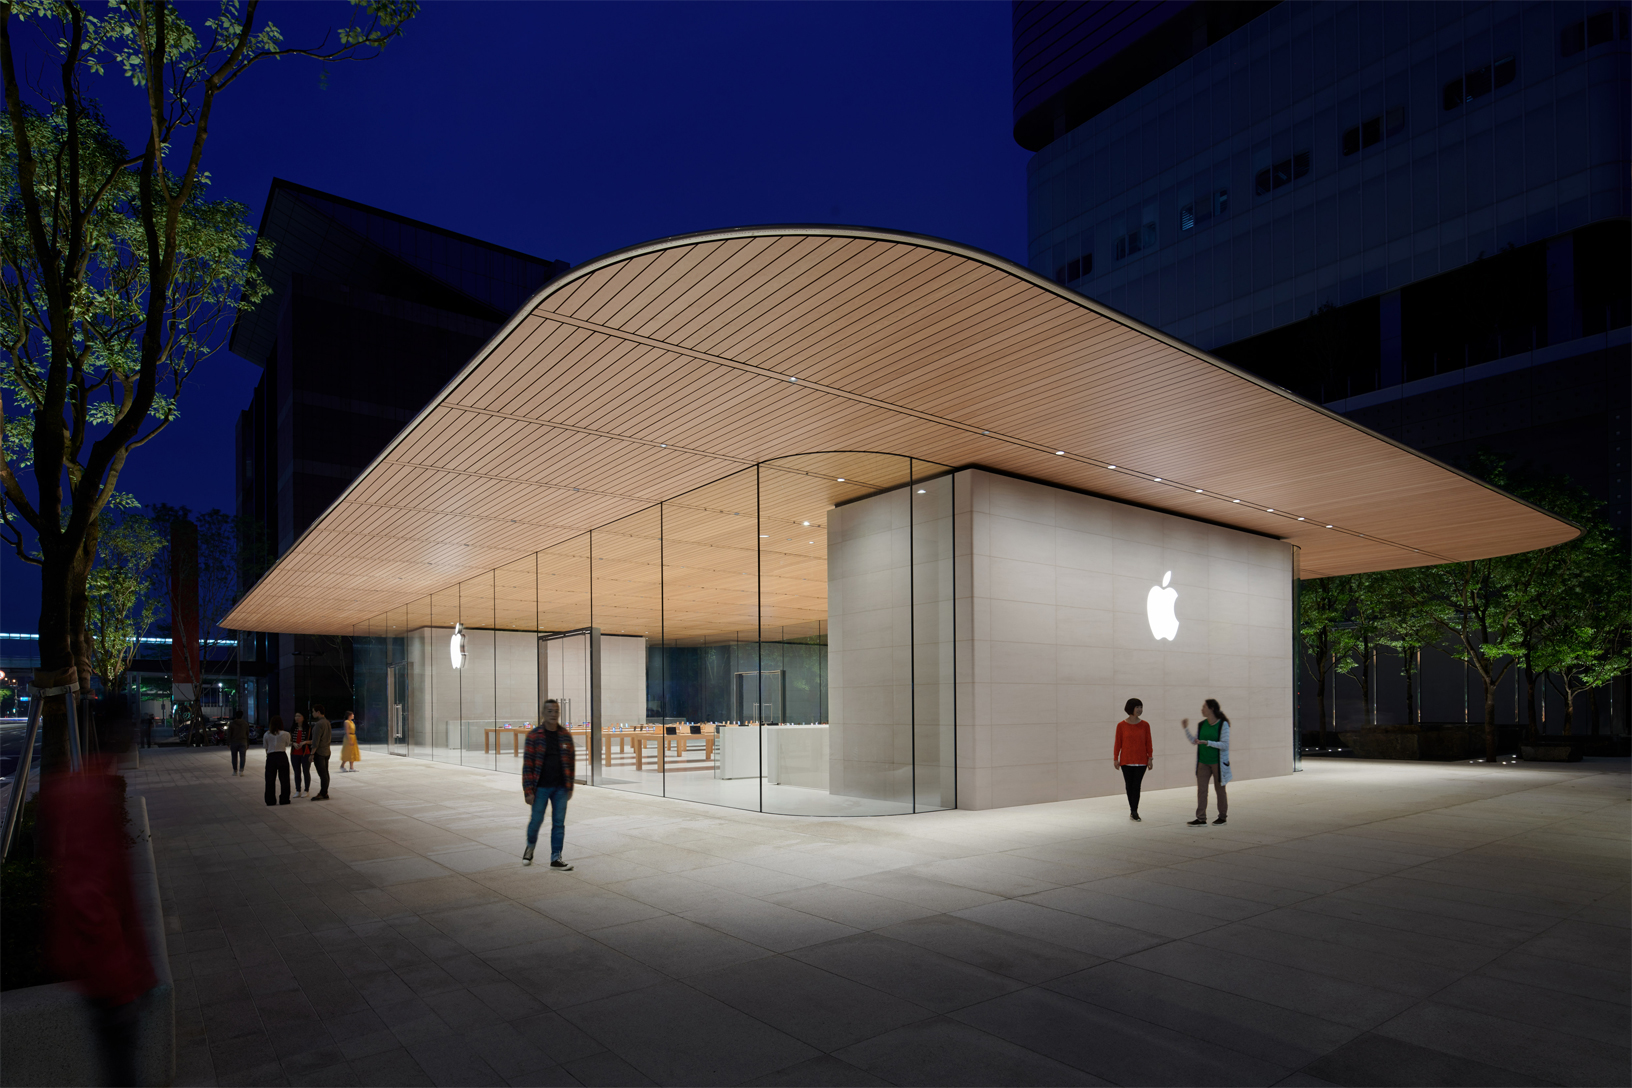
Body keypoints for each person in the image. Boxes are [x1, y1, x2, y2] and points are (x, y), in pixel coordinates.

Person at [521, 699, 575, 869]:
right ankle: (530, 847)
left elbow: (571, 763)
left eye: (556, 711)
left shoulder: (565, 735)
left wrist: (569, 786)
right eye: (550, 711)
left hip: (560, 788)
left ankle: (556, 857)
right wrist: (528, 791)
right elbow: (527, 765)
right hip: (540, 788)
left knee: (559, 823)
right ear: (543, 713)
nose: (553, 714)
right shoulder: (534, 736)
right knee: (536, 820)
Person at [1182, 699, 1231, 826]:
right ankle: (1201, 818)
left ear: (1212, 709)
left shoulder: (1222, 724)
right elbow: (1195, 741)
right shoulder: (1201, 724)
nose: (1202, 709)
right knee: (1202, 790)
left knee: (1220, 790)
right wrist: (1186, 729)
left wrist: (1208, 742)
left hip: (1218, 763)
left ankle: (1222, 816)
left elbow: (1225, 745)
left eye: (1204, 707)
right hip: (1203, 762)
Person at [1112, 697, 1153, 821]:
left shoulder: (1145, 725)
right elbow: (1118, 743)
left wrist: (1150, 758)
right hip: (1126, 761)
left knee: (1136, 785)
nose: (1140, 710)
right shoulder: (1121, 725)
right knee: (1129, 786)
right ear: (1131, 708)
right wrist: (1115, 758)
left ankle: (1135, 811)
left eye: (1141, 707)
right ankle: (1132, 809)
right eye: (1137, 707)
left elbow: (1148, 743)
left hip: (1141, 761)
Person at [263, 716, 291, 806]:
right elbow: (287, 744)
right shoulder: (286, 734)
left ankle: (270, 800)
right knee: (284, 779)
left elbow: (266, 747)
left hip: (271, 756)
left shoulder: (267, 734)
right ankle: (284, 799)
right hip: (282, 755)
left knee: (270, 779)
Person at [309, 705, 332, 801]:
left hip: (320, 752)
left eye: (314, 711)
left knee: (322, 773)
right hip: (326, 751)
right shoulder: (327, 722)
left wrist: (312, 754)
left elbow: (316, 741)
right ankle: (324, 792)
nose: (312, 713)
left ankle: (323, 792)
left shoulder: (319, 724)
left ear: (318, 712)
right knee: (325, 773)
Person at [289, 712, 312, 797]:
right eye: (296, 716)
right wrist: (293, 743)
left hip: (305, 753)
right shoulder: (293, 728)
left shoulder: (308, 728)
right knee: (296, 772)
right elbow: (289, 740)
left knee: (306, 771)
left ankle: (306, 790)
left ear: (303, 718)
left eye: (299, 716)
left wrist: (305, 742)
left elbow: (313, 740)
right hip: (294, 753)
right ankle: (298, 790)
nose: (297, 718)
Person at [227, 709, 250, 776]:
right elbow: (247, 734)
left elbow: (229, 734)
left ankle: (235, 771)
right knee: (242, 756)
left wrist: (228, 742)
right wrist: (248, 743)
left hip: (234, 742)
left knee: (234, 757)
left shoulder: (232, 724)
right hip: (243, 741)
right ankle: (241, 770)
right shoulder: (245, 724)